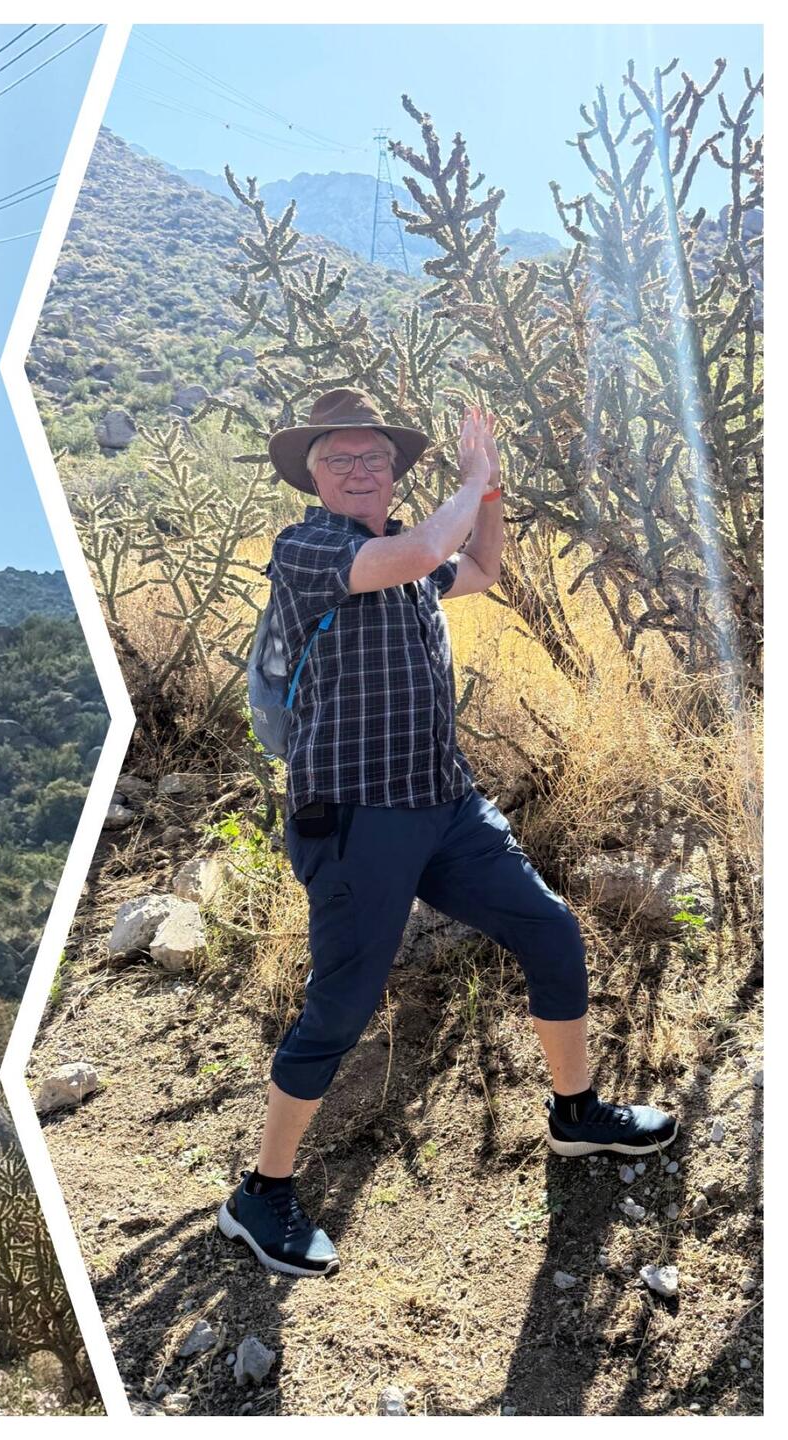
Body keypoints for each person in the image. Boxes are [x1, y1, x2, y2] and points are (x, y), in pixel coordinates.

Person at [217, 388, 678, 1280]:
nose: (360, 470)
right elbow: (432, 546)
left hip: (445, 807)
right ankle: (260, 1193)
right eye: (340, 459)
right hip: (356, 819)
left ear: (395, 470)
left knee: (550, 930)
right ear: (312, 474)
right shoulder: (310, 548)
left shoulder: (401, 562)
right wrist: (469, 478)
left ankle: (576, 1114)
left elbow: (477, 569)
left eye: (374, 458)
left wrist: (491, 494)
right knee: (342, 1006)